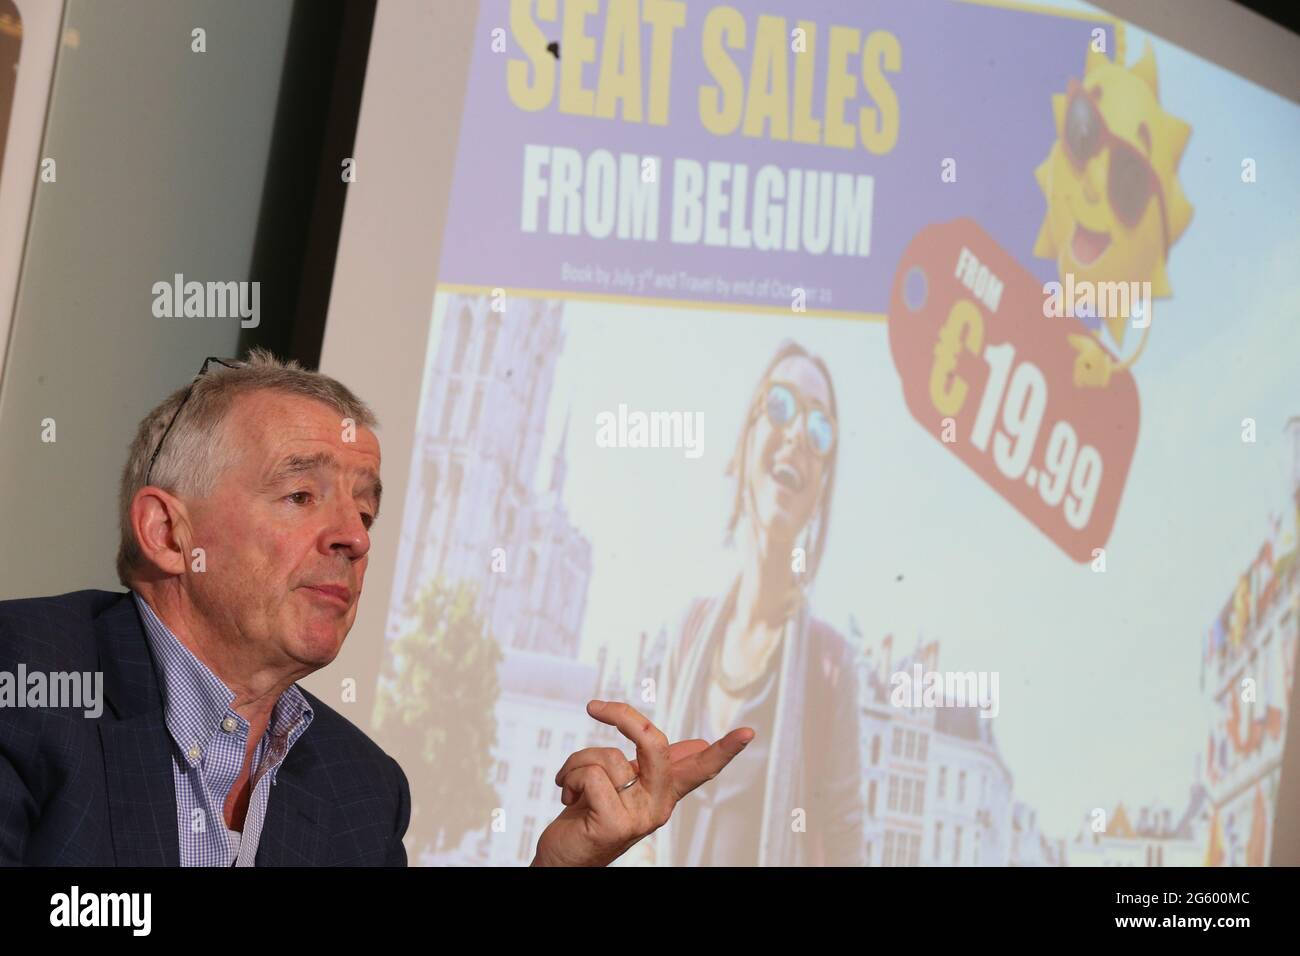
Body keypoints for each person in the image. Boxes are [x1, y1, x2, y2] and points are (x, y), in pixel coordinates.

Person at [0, 348, 751, 866]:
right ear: (168, 532)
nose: (353, 538)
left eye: (366, 512)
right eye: (302, 496)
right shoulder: (25, 682)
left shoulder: (359, 788)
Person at [651, 340, 865, 866]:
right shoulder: (688, 633)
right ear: (746, 440)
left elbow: (844, 850)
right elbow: (650, 835)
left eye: (820, 431)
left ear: (821, 490)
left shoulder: (830, 667)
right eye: (781, 405)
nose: (797, 434)